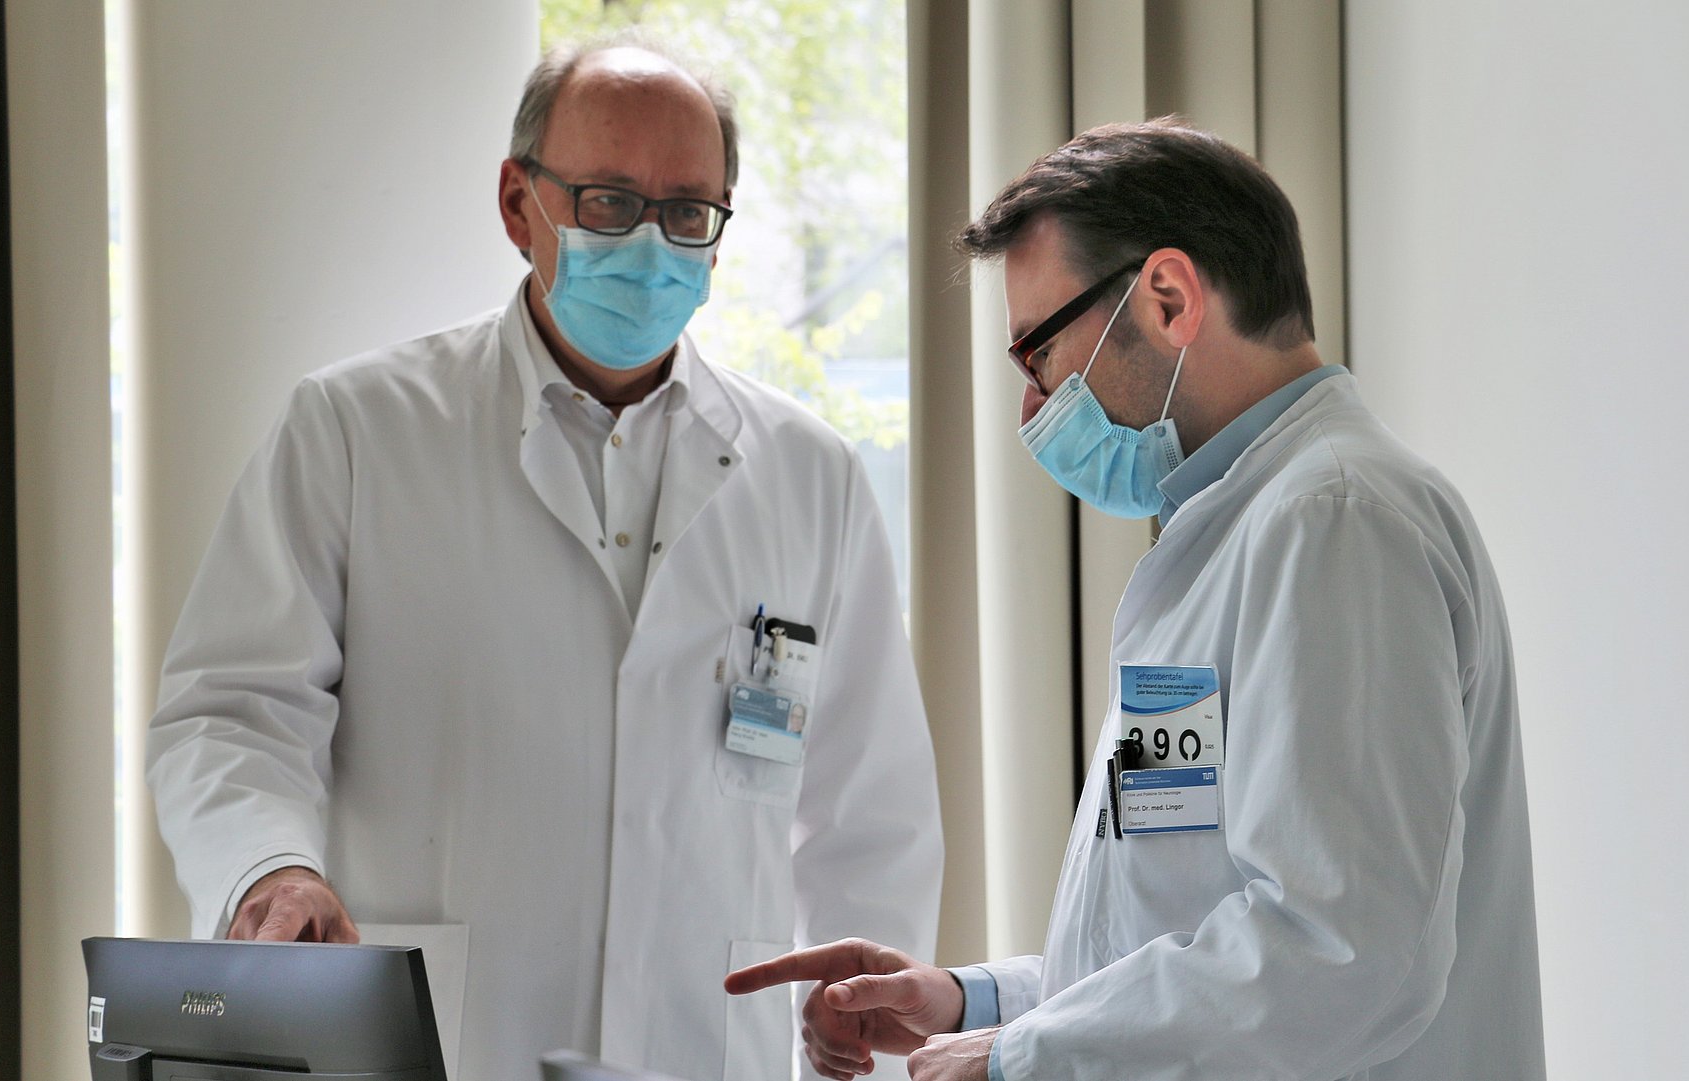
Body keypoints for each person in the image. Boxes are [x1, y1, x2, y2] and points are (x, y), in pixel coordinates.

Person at [147, 36, 942, 1081]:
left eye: (686, 213)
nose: (650, 245)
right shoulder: (358, 429)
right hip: (441, 1038)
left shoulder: (810, 473)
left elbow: (869, 806)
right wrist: (270, 868)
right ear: (519, 204)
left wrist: (858, 1006)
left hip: (705, 1044)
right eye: (609, 202)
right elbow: (232, 708)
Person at [726, 119, 1544, 1081]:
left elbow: (1342, 955)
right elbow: (1171, 937)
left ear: (1167, 298)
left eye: (1037, 352)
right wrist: (966, 1003)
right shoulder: (1237, 529)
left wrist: (1018, 1057)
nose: (1032, 409)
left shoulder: (1335, 521)